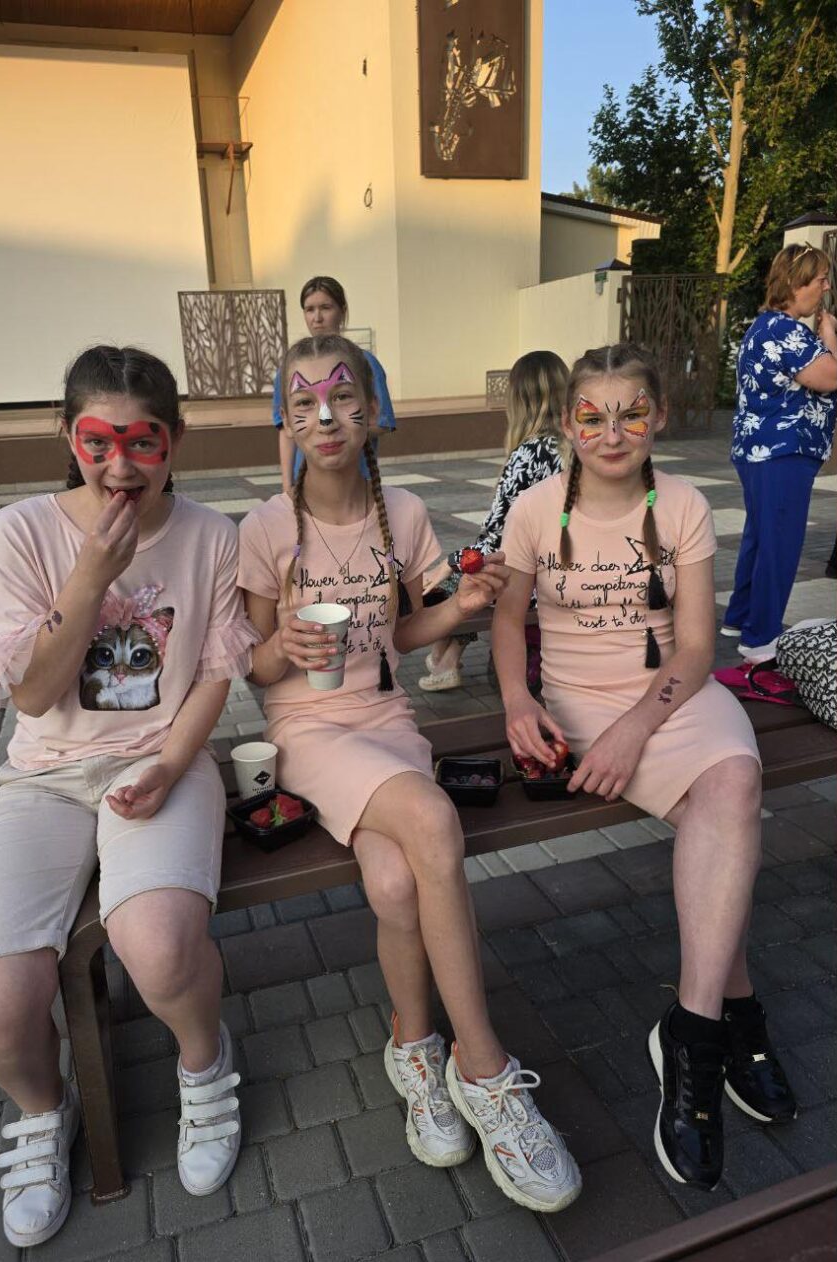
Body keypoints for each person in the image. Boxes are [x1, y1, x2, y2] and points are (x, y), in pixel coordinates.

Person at [239, 333, 581, 1213]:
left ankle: (412, 1049)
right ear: (287, 418)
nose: (325, 416)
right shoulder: (267, 527)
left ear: (371, 411)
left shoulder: (406, 510)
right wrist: (282, 646)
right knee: (432, 821)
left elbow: (401, 636)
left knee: (395, 883)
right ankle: (485, 1070)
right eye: (304, 401)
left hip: (385, 722)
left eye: (343, 398)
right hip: (308, 728)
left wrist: (460, 606)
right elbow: (253, 668)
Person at [0, 346, 261, 1250]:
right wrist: (90, 575)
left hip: (160, 761)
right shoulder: (20, 533)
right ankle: (43, 1109)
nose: (120, 465)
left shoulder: (211, 534)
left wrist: (170, 764)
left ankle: (204, 1066)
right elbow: (31, 695)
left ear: (176, 440)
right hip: (45, 776)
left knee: (158, 949)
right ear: (67, 435)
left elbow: (214, 671)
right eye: (98, 442)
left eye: (143, 442)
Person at [491, 342, 800, 1192]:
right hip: (580, 701)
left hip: (670, 693)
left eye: (632, 414)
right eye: (593, 416)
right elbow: (507, 621)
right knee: (722, 828)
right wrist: (517, 702)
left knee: (732, 784)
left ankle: (691, 1035)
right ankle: (737, 1012)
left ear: (658, 418)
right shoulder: (535, 508)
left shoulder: (685, 503)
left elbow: (698, 648)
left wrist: (638, 727)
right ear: (568, 422)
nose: (612, 433)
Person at [418, 349, 570, 692]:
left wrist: (450, 563)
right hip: (568, 575)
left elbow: (495, 538)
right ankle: (444, 660)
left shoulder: (529, 454)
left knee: (453, 584)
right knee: (466, 576)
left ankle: (444, 660)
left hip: (533, 585)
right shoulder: (576, 449)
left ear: (518, 400)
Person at [724, 243, 837, 663]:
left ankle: (740, 618)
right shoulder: (786, 330)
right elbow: (832, 376)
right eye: (821, 279)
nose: (825, 288)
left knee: (761, 536)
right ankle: (761, 638)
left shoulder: (764, 326)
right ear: (796, 282)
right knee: (781, 544)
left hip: (760, 451)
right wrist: (829, 335)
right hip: (781, 452)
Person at [273, 275, 396, 486]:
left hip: (357, 480)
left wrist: (343, 430)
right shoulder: (289, 368)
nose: (317, 317)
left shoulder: (365, 363)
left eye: (325, 307)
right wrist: (286, 485)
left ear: (342, 311)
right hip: (305, 483)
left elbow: (383, 422)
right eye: (309, 309)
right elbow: (286, 432)